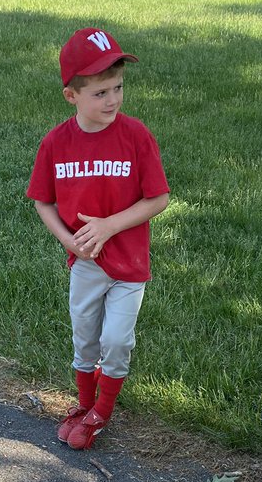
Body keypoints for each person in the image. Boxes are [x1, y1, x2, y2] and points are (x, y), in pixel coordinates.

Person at [27, 27, 170, 451]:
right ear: (71, 95)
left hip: (129, 265)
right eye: (100, 93)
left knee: (116, 341)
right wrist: (69, 242)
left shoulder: (135, 136)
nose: (112, 100)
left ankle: (102, 412)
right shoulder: (56, 143)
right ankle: (83, 404)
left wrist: (110, 225)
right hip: (86, 262)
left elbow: (158, 198)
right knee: (85, 337)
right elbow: (42, 202)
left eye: (118, 88)